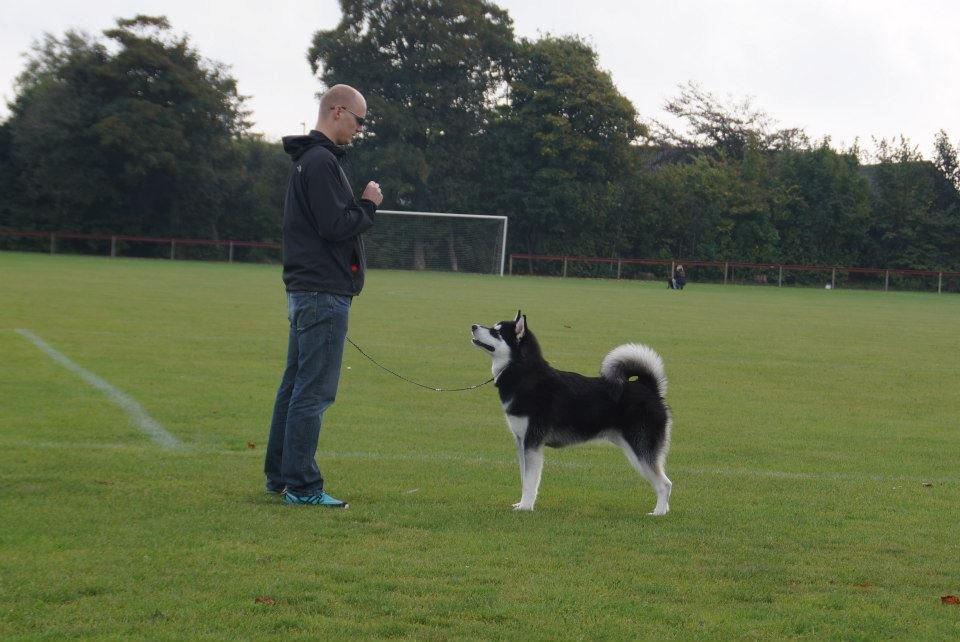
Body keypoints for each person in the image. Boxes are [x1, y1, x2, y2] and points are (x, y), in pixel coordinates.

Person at [264, 84, 384, 508]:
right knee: (313, 392)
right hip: (321, 292)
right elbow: (337, 225)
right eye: (359, 119)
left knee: (295, 386)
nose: (360, 128)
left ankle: (281, 476)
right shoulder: (320, 162)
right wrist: (368, 205)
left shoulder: (308, 161)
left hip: (307, 290)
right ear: (337, 111)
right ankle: (301, 484)